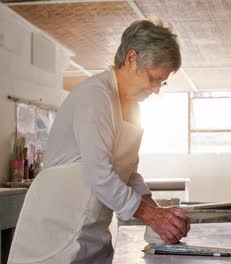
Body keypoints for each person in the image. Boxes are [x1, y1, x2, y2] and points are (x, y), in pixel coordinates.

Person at [8, 19, 190, 264]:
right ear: (131, 59)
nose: (156, 89)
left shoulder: (133, 109)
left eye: (162, 81)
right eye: (153, 78)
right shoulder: (95, 95)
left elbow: (128, 174)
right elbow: (99, 174)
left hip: (93, 232)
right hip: (55, 228)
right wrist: (152, 216)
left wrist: (160, 215)